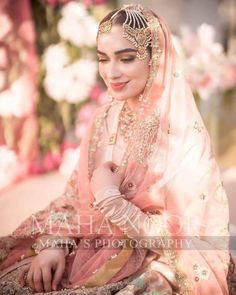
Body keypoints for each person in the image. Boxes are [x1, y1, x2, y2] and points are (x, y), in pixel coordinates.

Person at [0, 4, 234, 294]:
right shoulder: (104, 118)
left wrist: (112, 199)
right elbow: (73, 198)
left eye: (126, 59)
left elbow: (186, 237)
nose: (111, 72)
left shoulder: (182, 133)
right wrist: (57, 243)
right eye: (103, 58)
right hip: (91, 244)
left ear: (155, 58)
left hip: (156, 261)